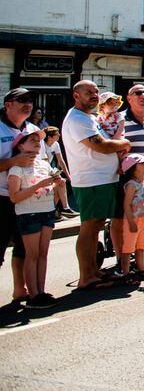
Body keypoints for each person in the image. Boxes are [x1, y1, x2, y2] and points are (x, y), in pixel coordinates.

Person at [61, 80, 133, 290]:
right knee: (90, 227)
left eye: (96, 91)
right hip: (91, 180)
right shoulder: (77, 118)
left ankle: (92, 271)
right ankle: (86, 277)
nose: (94, 95)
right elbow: (99, 145)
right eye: (88, 92)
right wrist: (124, 144)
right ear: (76, 95)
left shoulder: (87, 117)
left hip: (102, 179)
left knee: (95, 226)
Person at [6, 129, 62, 309]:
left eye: (38, 140)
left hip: (46, 210)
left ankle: (41, 291)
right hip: (28, 214)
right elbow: (14, 197)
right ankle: (33, 295)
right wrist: (39, 185)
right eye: (32, 140)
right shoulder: (16, 168)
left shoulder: (43, 165)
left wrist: (57, 184)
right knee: (32, 255)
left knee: (43, 254)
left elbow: (51, 189)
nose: (38, 142)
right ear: (20, 145)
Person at [2, 87, 42, 303]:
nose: (28, 104)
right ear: (8, 104)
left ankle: (20, 289)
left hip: (28, 199)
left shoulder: (34, 129)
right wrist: (12, 162)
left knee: (23, 247)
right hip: (1, 197)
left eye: (30, 100)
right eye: (22, 100)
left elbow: (41, 161)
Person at [118, 153, 144, 280]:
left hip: (143, 218)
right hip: (132, 220)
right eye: (142, 163)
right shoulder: (131, 184)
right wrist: (131, 222)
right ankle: (126, 274)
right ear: (134, 168)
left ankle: (142, 271)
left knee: (141, 246)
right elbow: (127, 204)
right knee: (128, 248)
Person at [40, 127, 77, 219]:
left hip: (50, 170)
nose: (59, 135)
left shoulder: (56, 144)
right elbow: (44, 162)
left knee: (61, 183)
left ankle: (60, 209)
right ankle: (59, 209)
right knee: (59, 183)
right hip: (43, 171)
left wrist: (69, 176)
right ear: (49, 137)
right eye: (57, 134)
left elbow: (61, 161)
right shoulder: (42, 145)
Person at [119, 84, 144, 159]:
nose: (143, 95)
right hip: (126, 169)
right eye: (138, 93)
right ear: (129, 99)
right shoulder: (119, 118)